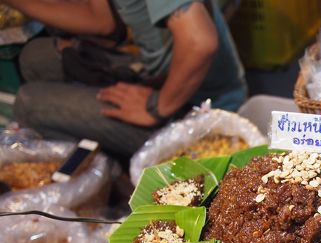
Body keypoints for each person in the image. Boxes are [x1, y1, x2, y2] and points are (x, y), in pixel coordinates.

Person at [5, 0, 247, 158]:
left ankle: (112, 173)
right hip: (157, 76)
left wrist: (156, 107)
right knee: (36, 58)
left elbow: (199, 40)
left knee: (28, 103)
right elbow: (102, 21)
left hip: (201, 109)